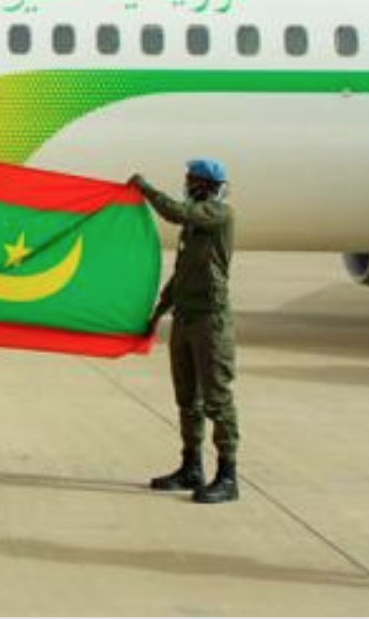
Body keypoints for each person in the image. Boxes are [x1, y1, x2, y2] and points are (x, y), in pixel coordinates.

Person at [132, 160, 241, 504]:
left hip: (211, 323)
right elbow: (180, 277)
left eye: (193, 181)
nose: (188, 185)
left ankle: (227, 476)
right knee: (187, 400)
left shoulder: (218, 214)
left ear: (208, 186)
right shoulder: (193, 229)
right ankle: (191, 467)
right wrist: (156, 314)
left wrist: (145, 189)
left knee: (217, 401)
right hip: (186, 319)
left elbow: (176, 212)